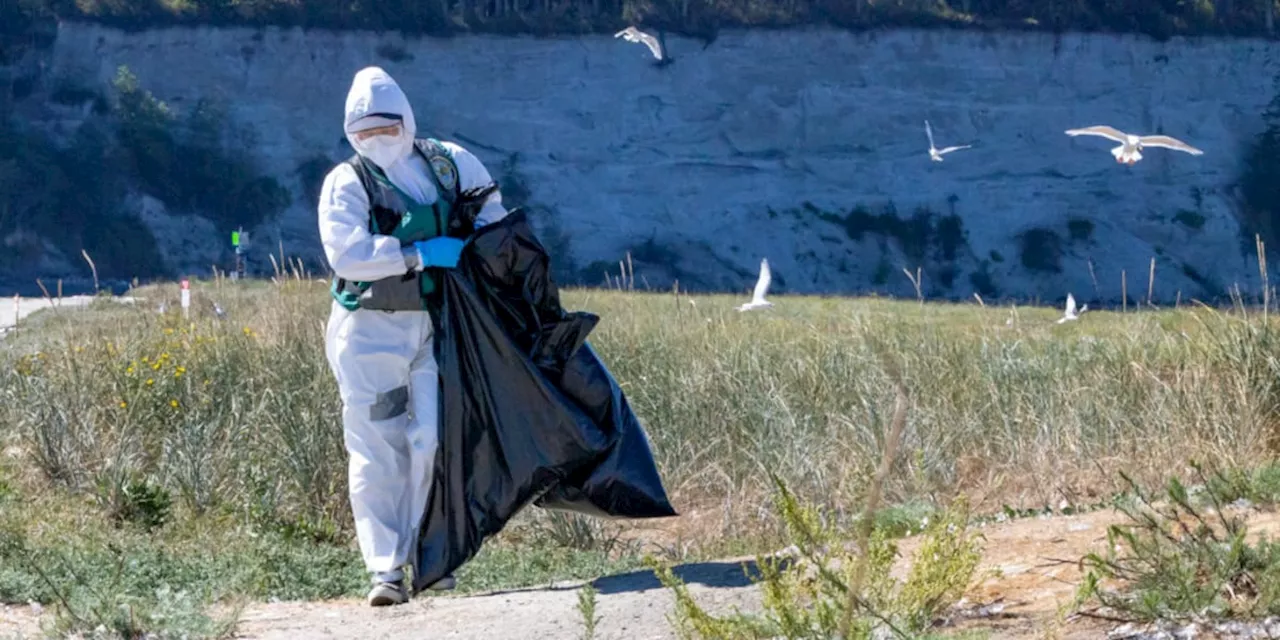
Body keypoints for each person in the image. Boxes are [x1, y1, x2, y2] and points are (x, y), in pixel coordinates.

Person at [317, 66, 510, 607]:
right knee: (377, 448)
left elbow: (491, 215)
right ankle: (385, 570)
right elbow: (347, 254)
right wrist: (415, 254)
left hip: (436, 324)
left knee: (431, 439)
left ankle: (430, 556)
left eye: (386, 127)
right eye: (364, 132)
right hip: (368, 332)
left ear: (406, 118)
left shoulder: (448, 164)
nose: (377, 140)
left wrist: (478, 249)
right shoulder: (347, 181)